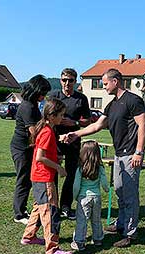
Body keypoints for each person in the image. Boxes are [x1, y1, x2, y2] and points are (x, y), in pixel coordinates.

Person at [61, 68, 145, 248]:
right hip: (119, 154)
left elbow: (143, 125)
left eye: (105, 83)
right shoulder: (112, 104)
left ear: (115, 81)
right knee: (119, 190)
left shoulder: (133, 100)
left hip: (131, 154)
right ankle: (122, 224)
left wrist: (138, 151)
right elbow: (97, 126)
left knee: (130, 194)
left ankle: (130, 233)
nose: (104, 87)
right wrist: (75, 134)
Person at [21, 98, 73, 254]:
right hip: (44, 177)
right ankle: (52, 250)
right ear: (52, 115)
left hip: (37, 176)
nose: (63, 118)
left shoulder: (47, 130)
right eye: (61, 115)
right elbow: (40, 157)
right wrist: (58, 167)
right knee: (50, 211)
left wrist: (55, 156)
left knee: (38, 207)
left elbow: (44, 152)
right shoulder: (47, 132)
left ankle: (28, 236)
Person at [50, 68, 91, 220]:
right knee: (52, 172)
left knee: (71, 174)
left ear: (75, 81)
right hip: (55, 140)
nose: (67, 83)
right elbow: (47, 117)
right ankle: (52, 206)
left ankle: (65, 207)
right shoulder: (54, 96)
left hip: (73, 140)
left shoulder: (81, 98)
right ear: (60, 80)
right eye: (64, 80)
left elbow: (87, 120)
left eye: (70, 80)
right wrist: (59, 124)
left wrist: (74, 122)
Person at [10, 75, 51, 225]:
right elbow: (34, 131)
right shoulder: (27, 106)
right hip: (20, 148)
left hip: (28, 148)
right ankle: (19, 214)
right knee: (23, 179)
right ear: (35, 90)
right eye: (42, 93)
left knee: (27, 179)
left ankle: (22, 210)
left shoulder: (33, 104)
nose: (44, 96)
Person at [71, 140, 109, 251]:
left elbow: (76, 185)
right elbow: (105, 182)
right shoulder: (100, 167)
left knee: (82, 220)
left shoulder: (80, 168)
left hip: (83, 198)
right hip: (96, 197)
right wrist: (106, 189)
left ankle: (79, 241)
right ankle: (98, 239)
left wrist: (75, 196)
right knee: (96, 219)